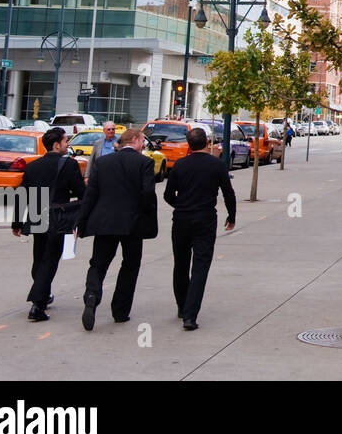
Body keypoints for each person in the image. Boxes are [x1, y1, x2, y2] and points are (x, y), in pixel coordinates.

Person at [76, 128, 157, 330]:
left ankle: (92, 296)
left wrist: (81, 221)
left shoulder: (103, 163)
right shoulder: (144, 163)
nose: (144, 146)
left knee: (98, 263)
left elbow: (90, 195)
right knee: (130, 266)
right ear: (136, 140)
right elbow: (148, 194)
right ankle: (120, 310)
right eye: (143, 142)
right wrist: (147, 217)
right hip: (133, 223)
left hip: (104, 222)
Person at [163, 127, 235, 330]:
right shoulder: (217, 165)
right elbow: (228, 193)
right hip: (205, 219)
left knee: (181, 263)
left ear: (188, 144)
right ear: (207, 142)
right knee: (200, 267)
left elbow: (168, 194)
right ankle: (190, 315)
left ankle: (181, 305)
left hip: (182, 220)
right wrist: (232, 215)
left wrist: (181, 205)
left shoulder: (179, 165)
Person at [11, 127, 84, 322]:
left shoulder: (33, 166)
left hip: (36, 214)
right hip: (56, 217)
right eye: (66, 140)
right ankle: (38, 305)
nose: (68, 144)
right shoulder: (69, 164)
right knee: (50, 260)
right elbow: (81, 192)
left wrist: (16, 223)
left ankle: (43, 294)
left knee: (39, 257)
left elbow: (21, 194)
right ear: (56, 145)